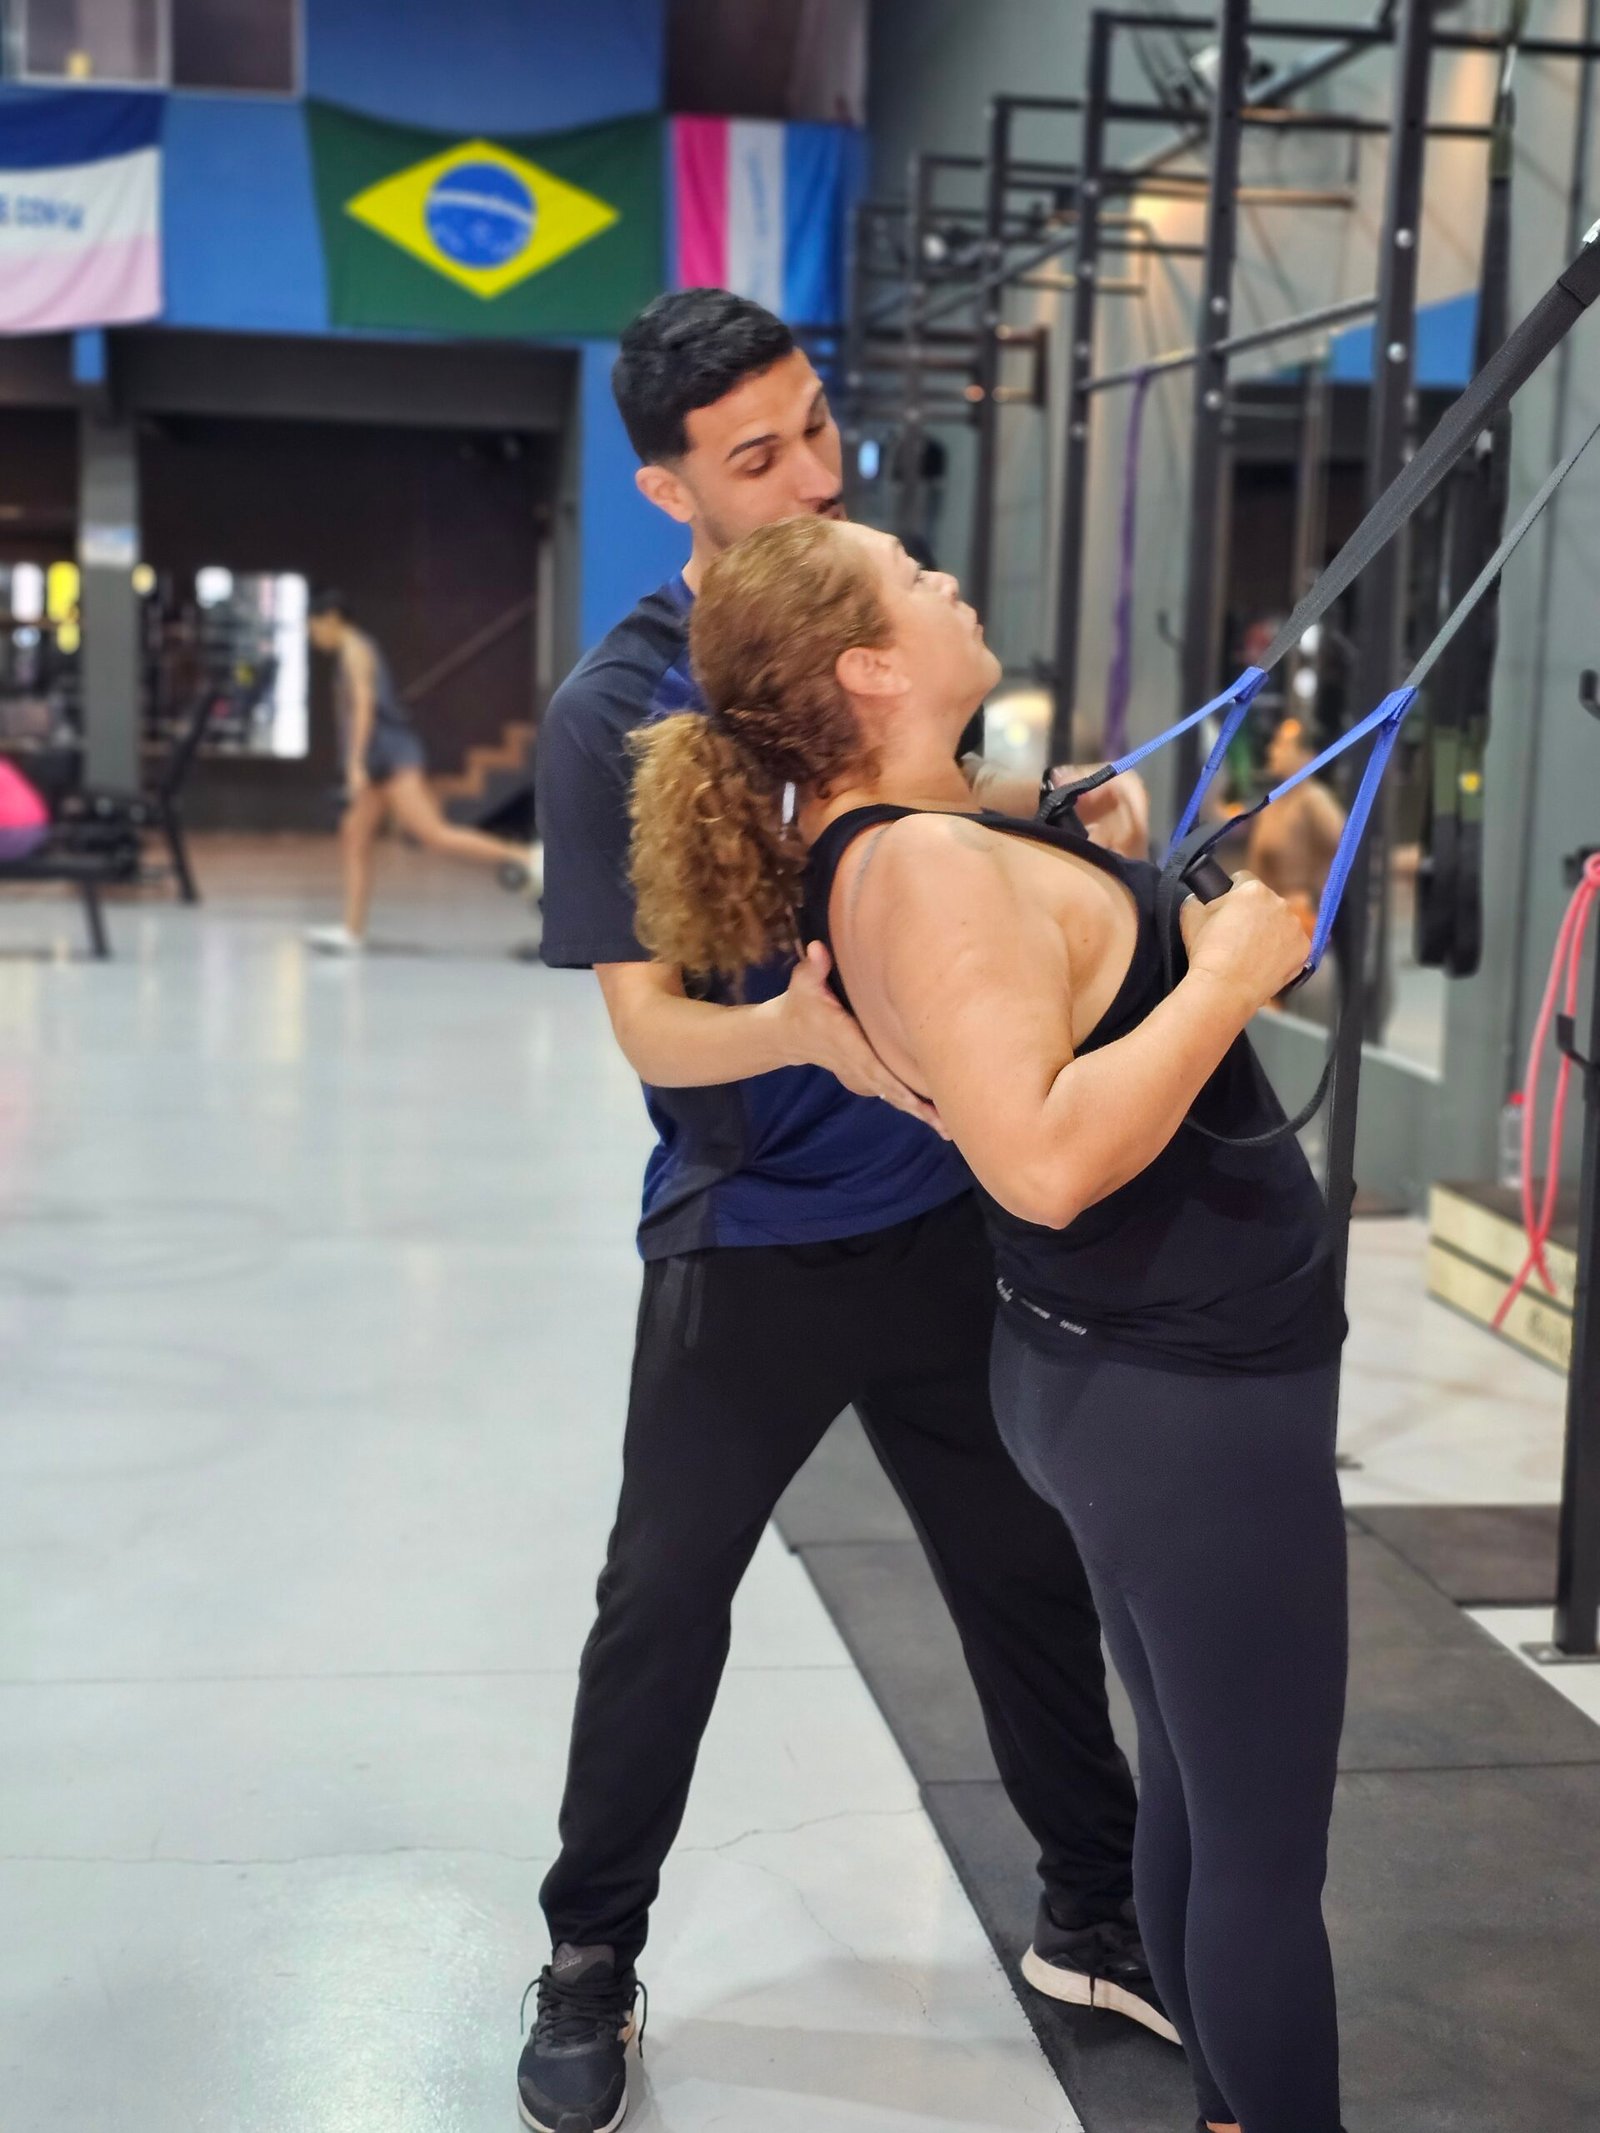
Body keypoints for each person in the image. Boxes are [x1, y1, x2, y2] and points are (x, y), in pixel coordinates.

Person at [520, 289, 1160, 2133]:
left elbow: (935, 811)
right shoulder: (617, 708)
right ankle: (589, 1953)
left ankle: (1097, 1911)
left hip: (953, 1212)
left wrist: (1056, 816)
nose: (812, 474)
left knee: (1029, 1577)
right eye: (758, 454)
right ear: (667, 488)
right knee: (663, 1600)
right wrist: (797, 1029)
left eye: (817, 426)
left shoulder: (874, 615)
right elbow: (648, 1023)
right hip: (754, 1234)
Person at [629, 513, 1350, 2133]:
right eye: (914, 576)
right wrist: (1226, 974)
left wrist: (1082, 851)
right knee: (1260, 1852)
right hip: (1180, 1399)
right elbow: (1040, 1160)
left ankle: (1228, 2106)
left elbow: (1012, 980)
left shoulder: (911, 835)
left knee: (1199, 1797)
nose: (948, 579)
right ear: (870, 668)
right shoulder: (929, 871)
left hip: (1142, 1379)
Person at [302, 590, 536, 954]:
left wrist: (355, 762)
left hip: (390, 758)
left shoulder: (355, 651)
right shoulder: (356, 650)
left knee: (433, 833)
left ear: (330, 619)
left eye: (314, 628)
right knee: (354, 835)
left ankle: (525, 857)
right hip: (381, 761)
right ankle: (351, 930)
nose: (313, 636)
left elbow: (363, 707)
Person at [1245, 714, 1347, 945]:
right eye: (1274, 743)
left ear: (1307, 755)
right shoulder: (1273, 803)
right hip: (1266, 918)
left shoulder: (1313, 799)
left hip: (1301, 921)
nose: (1272, 751)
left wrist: (1315, 895)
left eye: (1282, 744)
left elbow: (1348, 847)